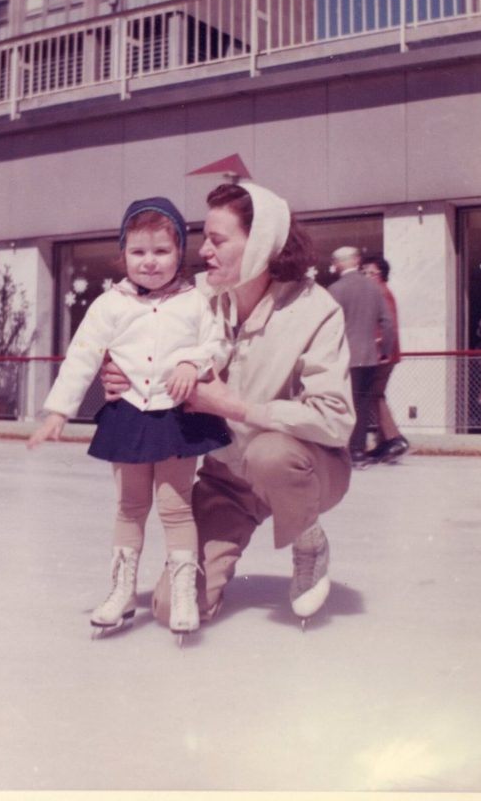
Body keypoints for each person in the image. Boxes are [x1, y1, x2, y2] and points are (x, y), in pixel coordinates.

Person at [102, 181, 355, 628]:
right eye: (205, 239)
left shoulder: (317, 309)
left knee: (269, 453)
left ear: (259, 245)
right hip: (227, 479)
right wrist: (118, 372)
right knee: (169, 608)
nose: (204, 251)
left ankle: (307, 536)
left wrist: (236, 407)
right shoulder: (190, 297)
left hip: (305, 466)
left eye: (218, 240)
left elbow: (336, 419)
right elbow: (128, 323)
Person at [28, 196, 231, 637]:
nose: (150, 262)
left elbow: (218, 343)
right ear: (123, 255)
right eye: (139, 252)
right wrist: (58, 410)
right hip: (129, 414)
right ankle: (122, 590)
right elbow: (82, 355)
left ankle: (182, 592)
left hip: (177, 417)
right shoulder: (110, 304)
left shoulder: (197, 301)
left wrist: (192, 363)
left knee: (175, 507)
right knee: (129, 506)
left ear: (181, 252)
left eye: (162, 251)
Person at [328, 246, 394, 467]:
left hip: (345, 357)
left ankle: (345, 450)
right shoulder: (374, 288)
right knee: (363, 403)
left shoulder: (335, 290)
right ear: (355, 261)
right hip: (369, 357)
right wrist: (385, 350)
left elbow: (328, 326)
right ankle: (358, 451)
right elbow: (387, 322)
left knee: (345, 404)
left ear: (338, 264)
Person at [361, 254, 409, 462]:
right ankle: (385, 443)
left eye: (371, 272)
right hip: (385, 353)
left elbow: (387, 323)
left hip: (383, 355)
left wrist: (382, 348)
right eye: (364, 272)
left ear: (381, 274)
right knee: (375, 394)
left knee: (374, 395)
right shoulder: (379, 291)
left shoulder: (380, 292)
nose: (367, 276)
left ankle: (394, 439)